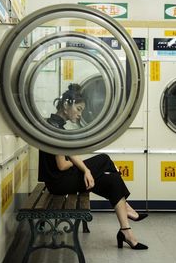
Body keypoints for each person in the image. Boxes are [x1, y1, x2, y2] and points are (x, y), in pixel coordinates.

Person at [39, 83, 148, 250]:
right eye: (79, 109)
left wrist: (84, 169)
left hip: (62, 180)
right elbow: (61, 165)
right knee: (104, 159)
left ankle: (126, 231)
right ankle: (126, 206)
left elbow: (70, 156)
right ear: (67, 105)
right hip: (59, 183)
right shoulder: (54, 128)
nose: (80, 114)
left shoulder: (57, 125)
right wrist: (86, 170)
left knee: (112, 180)